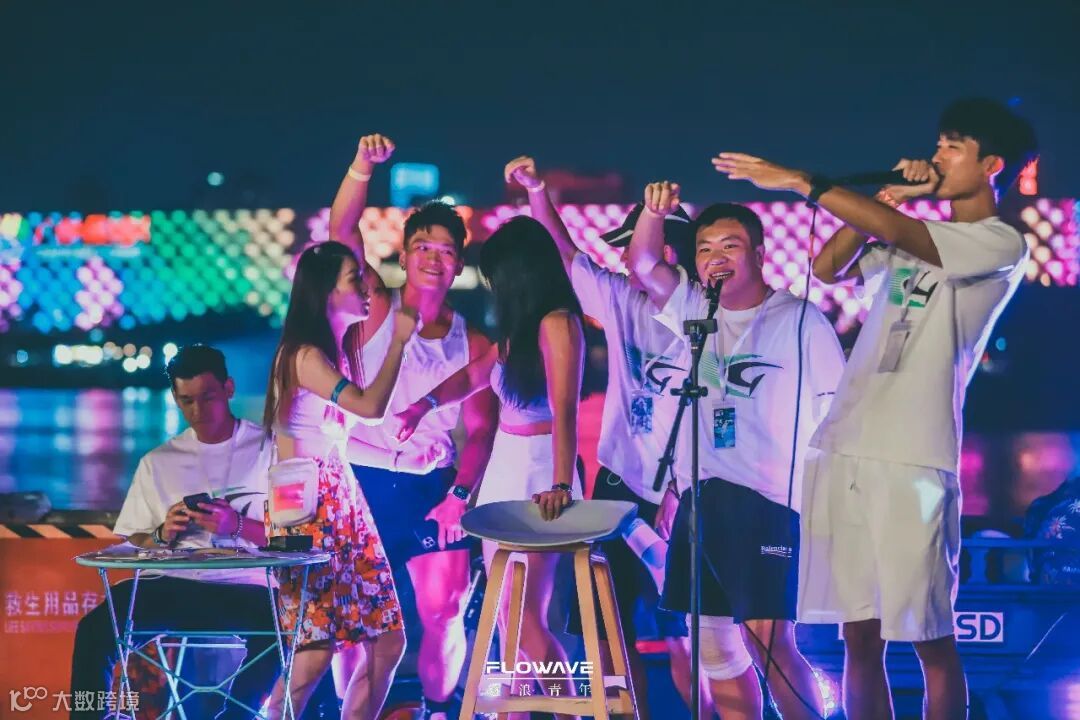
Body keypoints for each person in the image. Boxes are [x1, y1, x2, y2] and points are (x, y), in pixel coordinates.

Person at [712, 97, 1038, 719]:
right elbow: (828, 267)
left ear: (991, 165)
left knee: (929, 636)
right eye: (938, 143)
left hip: (914, 456)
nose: (938, 155)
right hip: (846, 444)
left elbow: (903, 234)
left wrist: (803, 181)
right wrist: (886, 196)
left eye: (954, 147)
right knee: (857, 635)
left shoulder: (999, 243)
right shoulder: (909, 234)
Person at [501, 155, 713, 719]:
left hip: (684, 491)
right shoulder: (619, 298)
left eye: (632, 246)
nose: (623, 258)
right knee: (606, 629)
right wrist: (538, 191)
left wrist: (680, 490)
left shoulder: (702, 313)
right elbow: (565, 253)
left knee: (685, 636)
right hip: (618, 483)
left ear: (668, 252)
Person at [627, 185, 845, 720]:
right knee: (714, 650)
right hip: (702, 501)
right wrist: (653, 213)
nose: (716, 258)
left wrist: (834, 507)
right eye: (705, 248)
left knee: (769, 645)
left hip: (769, 504)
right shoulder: (696, 312)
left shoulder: (798, 319)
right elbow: (644, 263)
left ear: (760, 254)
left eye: (731, 246)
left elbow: (839, 417)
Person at [328, 134, 499, 720]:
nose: (433, 257)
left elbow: (481, 430)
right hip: (360, 480)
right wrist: (362, 166)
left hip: (431, 486)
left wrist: (459, 496)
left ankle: (436, 711)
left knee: (444, 610)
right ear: (403, 256)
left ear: (458, 264)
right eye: (422, 246)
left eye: (445, 250)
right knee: (351, 620)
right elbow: (342, 232)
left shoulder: (472, 341)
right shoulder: (373, 305)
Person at [396, 214, 585, 713]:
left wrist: (561, 484)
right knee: (506, 618)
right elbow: (470, 377)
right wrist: (422, 406)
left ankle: (568, 708)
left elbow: (565, 411)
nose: (493, 287)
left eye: (496, 276)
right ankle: (519, 712)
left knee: (526, 618)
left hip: (543, 473)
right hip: (505, 469)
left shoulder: (558, 323)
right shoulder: (518, 334)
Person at [71, 345, 279, 720]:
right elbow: (137, 537)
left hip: (247, 584)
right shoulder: (159, 461)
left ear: (229, 388)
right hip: (174, 582)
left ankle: (235, 716)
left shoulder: (270, 448)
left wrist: (237, 525)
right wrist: (163, 533)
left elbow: (293, 536)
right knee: (94, 629)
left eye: (208, 397)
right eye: (187, 401)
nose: (198, 411)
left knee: (288, 628)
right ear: (175, 398)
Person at [262, 240, 416, 718]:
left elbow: (335, 442)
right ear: (326, 291)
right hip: (309, 516)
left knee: (387, 640)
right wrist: (399, 342)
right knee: (314, 650)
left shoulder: (331, 357)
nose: (366, 287)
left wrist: (400, 459)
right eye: (355, 279)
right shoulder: (305, 357)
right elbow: (370, 408)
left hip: (343, 511)